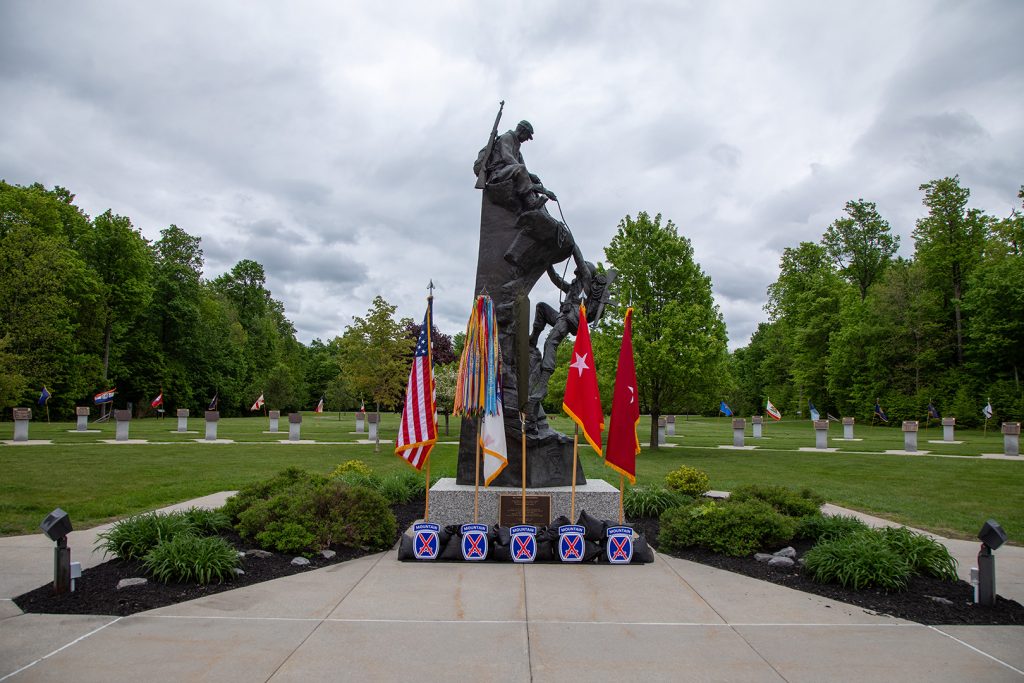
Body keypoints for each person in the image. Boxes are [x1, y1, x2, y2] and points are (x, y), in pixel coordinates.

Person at [478, 120, 557, 211]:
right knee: (520, 169)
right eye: (527, 136)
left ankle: (535, 207)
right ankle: (530, 203)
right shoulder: (507, 137)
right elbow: (507, 157)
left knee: (527, 177)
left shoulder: (517, 150)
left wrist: (545, 190)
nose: (527, 139)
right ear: (522, 130)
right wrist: (529, 175)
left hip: (508, 173)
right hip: (497, 174)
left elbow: (524, 172)